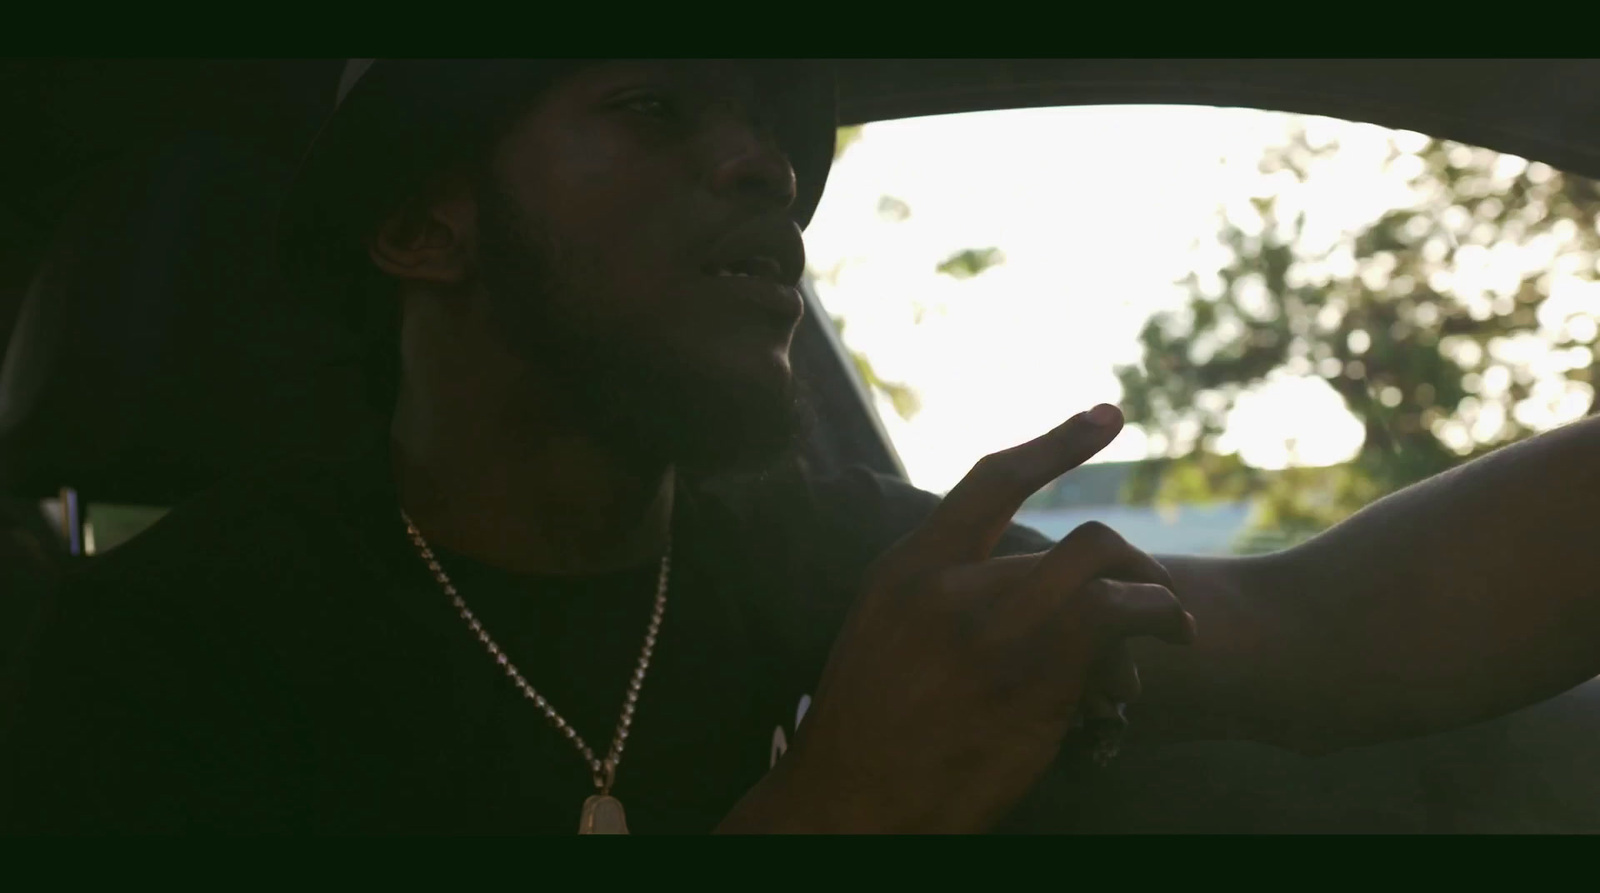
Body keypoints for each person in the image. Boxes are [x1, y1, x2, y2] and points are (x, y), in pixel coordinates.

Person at [2, 59, 1597, 835]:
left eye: (770, 140)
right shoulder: (160, 657)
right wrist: (838, 809)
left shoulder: (844, 557)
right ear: (427, 224)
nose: (763, 166)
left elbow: (1330, 628)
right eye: (650, 110)